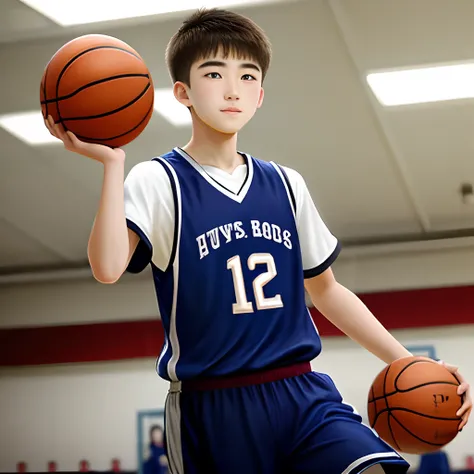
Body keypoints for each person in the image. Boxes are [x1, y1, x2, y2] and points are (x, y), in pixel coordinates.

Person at [44, 8, 472, 474]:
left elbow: (326, 290)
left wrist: (410, 362)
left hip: (302, 393)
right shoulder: (158, 180)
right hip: (213, 408)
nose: (233, 89)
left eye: (248, 77)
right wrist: (112, 166)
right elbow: (107, 268)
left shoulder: (286, 185)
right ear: (182, 92)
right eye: (214, 73)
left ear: (261, 95)